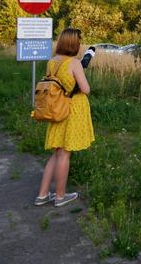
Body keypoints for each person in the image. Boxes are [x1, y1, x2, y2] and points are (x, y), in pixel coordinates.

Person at [35, 28, 95, 208]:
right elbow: (86, 89)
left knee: (57, 152)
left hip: (56, 109)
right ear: (74, 44)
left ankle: (42, 194)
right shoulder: (74, 63)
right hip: (71, 109)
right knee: (65, 154)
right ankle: (60, 196)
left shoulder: (52, 62)